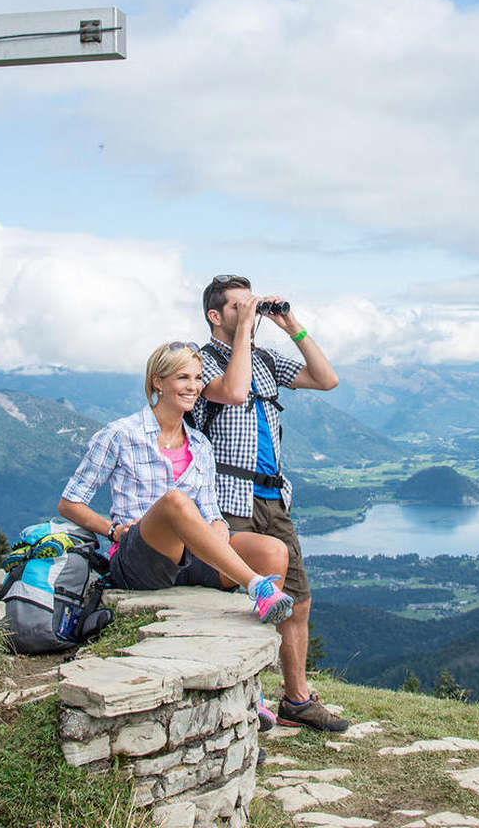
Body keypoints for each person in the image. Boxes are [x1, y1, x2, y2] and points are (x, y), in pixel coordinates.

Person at [190, 274, 346, 731]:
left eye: (252, 303)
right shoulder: (198, 362)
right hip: (225, 496)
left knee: (296, 599)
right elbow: (234, 393)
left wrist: (289, 323)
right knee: (240, 599)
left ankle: (296, 699)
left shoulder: (264, 359)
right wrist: (242, 334)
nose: (251, 311)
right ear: (215, 316)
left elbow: (326, 378)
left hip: (273, 496)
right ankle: (246, 698)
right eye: (240, 306)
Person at [58, 341, 294, 623]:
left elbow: (211, 511)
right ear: (158, 382)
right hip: (140, 558)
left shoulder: (200, 444)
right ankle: (257, 586)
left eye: (197, 378)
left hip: (192, 557)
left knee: (273, 550)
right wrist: (112, 531)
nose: (193, 387)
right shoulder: (121, 434)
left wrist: (218, 526)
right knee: (175, 501)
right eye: (183, 377)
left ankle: (264, 628)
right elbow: (70, 502)